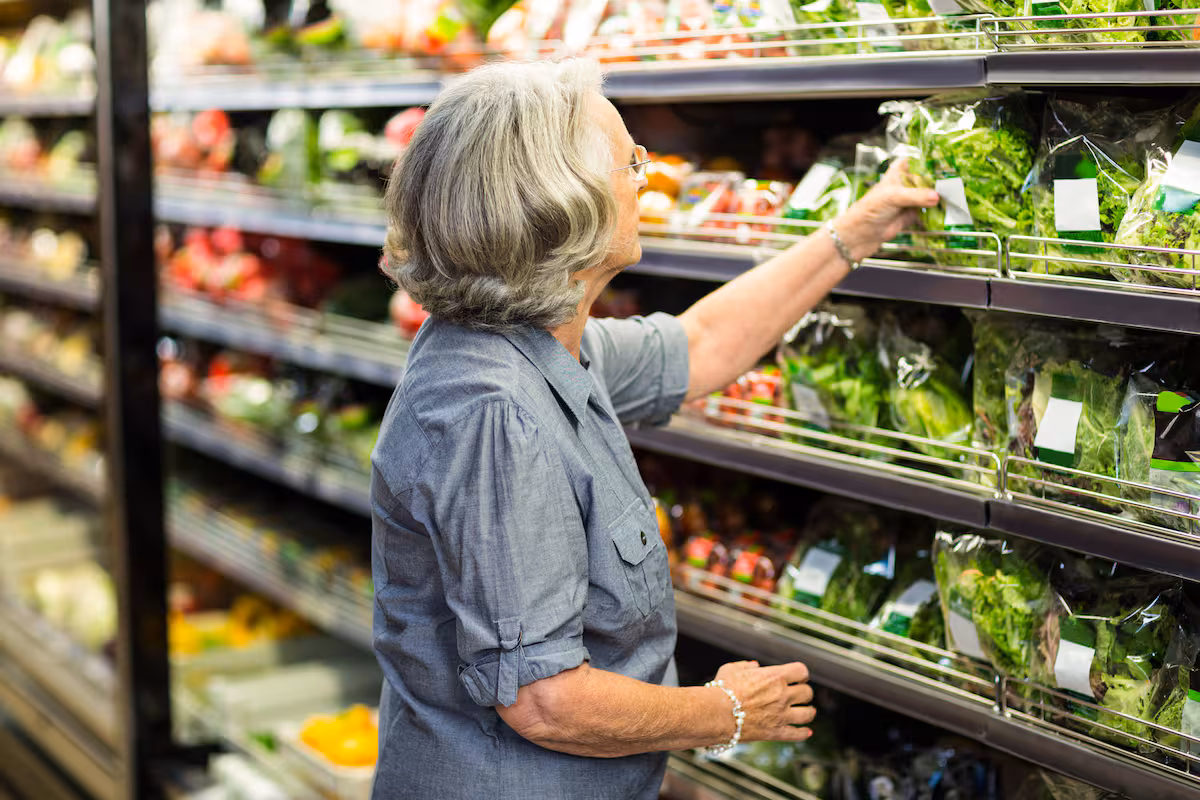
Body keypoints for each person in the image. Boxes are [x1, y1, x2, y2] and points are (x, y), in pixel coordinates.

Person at [370, 58, 940, 800]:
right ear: (558, 202)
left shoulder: (536, 343)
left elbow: (700, 345)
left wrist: (852, 233)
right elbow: (543, 699)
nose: (648, 179)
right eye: (631, 161)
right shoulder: (494, 411)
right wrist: (726, 711)